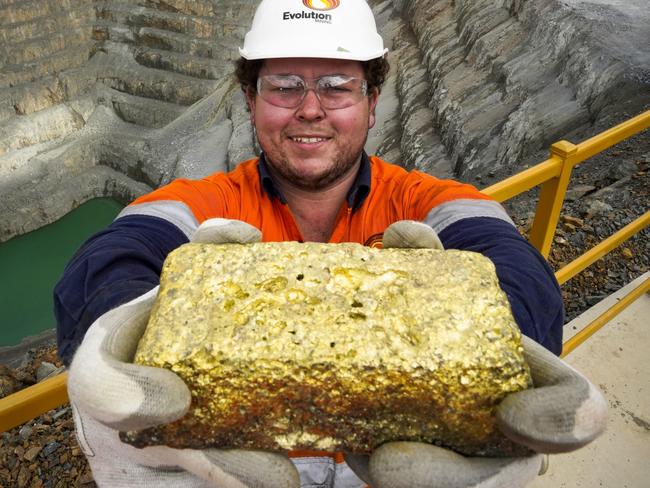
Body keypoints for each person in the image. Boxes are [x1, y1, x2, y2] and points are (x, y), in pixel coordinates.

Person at [54, 0, 607, 487]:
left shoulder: (429, 202)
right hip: (237, 454)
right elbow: (115, 254)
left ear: (371, 101)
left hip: (386, 459)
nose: (310, 108)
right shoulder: (203, 202)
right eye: (285, 85)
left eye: (338, 86)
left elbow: (511, 260)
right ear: (251, 99)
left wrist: (499, 355)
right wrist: (123, 316)